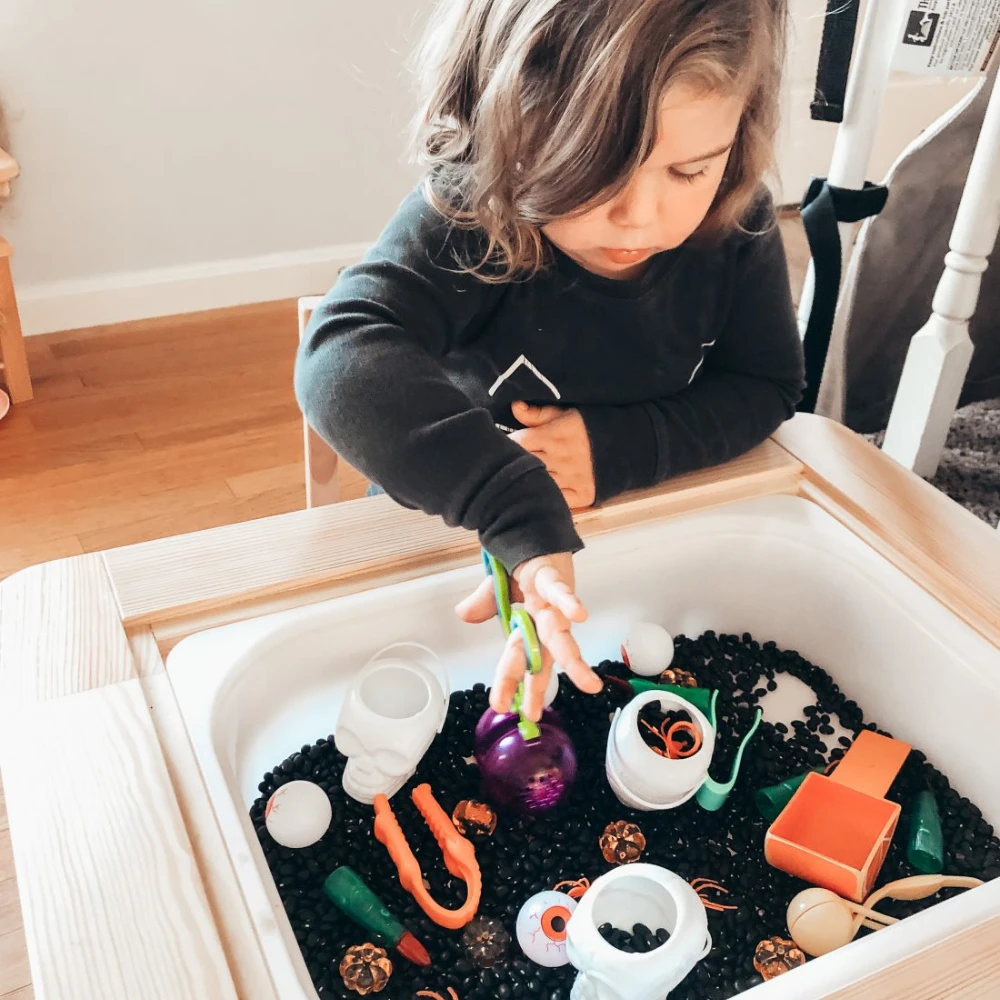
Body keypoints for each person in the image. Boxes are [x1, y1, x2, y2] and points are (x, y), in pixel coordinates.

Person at [295, 0, 804, 722]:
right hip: (456, 524)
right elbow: (339, 357)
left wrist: (618, 450)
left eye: (689, 171)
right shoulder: (469, 218)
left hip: (636, 531)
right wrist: (513, 505)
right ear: (502, 127)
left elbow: (768, 386)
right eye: (595, 170)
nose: (641, 216)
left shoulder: (738, 222)